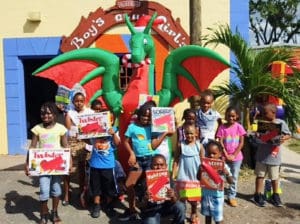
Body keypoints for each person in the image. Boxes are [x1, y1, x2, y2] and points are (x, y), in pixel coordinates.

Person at [118, 103, 172, 221]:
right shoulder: (132, 127)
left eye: (149, 117)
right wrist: (132, 154)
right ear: (139, 115)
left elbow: (154, 145)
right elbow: (125, 141)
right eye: (144, 116)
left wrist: (166, 132)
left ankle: (152, 210)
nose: (146, 119)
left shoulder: (153, 127)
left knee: (152, 185)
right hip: (138, 160)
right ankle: (132, 209)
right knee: (129, 185)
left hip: (151, 160)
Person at [25, 102, 68, 224]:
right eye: (42, 113)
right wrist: (27, 163)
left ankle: (54, 213)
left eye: (49, 113)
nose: (45, 116)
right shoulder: (37, 128)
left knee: (56, 190)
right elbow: (32, 146)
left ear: (54, 114)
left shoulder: (61, 128)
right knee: (44, 190)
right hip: (42, 166)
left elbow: (65, 146)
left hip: (57, 166)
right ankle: (43, 213)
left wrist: (69, 162)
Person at [253, 103, 291, 207]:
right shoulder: (261, 123)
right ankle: (258, 194)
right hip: (262, 156)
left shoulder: (281, 123)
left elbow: (288, 134)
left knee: (275, 177)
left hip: (274, 156)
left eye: (266, 113)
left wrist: (284, 138)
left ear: (273, 113)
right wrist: (257, 134)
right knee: (260, 176)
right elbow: (257, 136)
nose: (264, 115)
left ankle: (275, 195)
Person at [63, 89, 93, 206]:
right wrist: (80, 127)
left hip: (85, 142)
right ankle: (66, 193)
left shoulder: (90, 112)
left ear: (84, 101)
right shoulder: (70, 113)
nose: (79, 103)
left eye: (81, 101)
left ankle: (82, 192)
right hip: (72, 142)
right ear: (73, 101)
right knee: (67, 169)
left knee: (82, 169)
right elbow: (69, 128)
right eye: (76, 101)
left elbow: (91, 128)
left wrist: (81, 128)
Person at [141, 154, 186, 224]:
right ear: (151, 166)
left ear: (166, 166)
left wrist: (173, 196)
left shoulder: (168, 179)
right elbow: (142, 206)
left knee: (181, 206)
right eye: (155, 165)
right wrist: (145, 199)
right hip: (152, 210)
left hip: (167, 207)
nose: (159, 167)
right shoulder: (145, 181)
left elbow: (176, 200)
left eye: (162, 165)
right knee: (151, 222)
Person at [173, 124, 204, 224]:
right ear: (184, 134)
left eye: (191, 133)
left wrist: (203, 176)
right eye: (187, 133)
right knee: (182, 199)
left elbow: (203, 162)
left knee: (194, 200)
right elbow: (176, 159)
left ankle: (194, 214)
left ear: (196, 133)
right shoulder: (180, 145)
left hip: (195, 177)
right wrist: (174, 172)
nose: (189, 135)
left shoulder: (199, 146)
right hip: (183, 177)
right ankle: (181, 216)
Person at [216, 106, 247, 207]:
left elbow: (241, 143)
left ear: (237, 116)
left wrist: (234, 155)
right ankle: (218, 195)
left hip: (236, 158)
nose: (231, 118)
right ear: (226, 116)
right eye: (229, 116)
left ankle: (232, 196)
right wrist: (225, 154)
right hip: (223, 157)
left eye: (233, 116)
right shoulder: (222, 127)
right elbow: (220, 141)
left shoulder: (239, 127)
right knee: (221, 176)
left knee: (234, 177)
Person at [89, 126, 120, 218]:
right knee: (96, 186)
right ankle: (96, 205)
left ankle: (109, 206)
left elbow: (117, 143)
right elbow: (88, 141)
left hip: (108, 165)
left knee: (109, 186)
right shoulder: (93, 128)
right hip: (95, 164)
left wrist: (113, 134)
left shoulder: (114, 129)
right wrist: (81, 135)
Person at [199, 140, 233, 224]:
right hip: (205, 194)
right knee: (207, 216)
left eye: (214, 153)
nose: (211, 155)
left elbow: (231, 181)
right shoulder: (203, 165)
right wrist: (200, 171)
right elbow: (198, 178)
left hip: (217, 196)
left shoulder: (223, 166)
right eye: (208, 153)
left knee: (218, 219)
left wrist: (227, 173)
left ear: (220, 154)